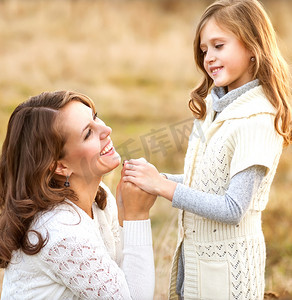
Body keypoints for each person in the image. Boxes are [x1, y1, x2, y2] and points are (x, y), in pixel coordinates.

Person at [122, 0, 292, 299]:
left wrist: (162, 186)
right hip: (198, 263)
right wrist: (152, 178)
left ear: (252, 46)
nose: (209, 58)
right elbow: (207, 185)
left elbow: (233, 208)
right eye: (204, 50)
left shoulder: (257, 119)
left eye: (218, 45)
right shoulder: (214, 106)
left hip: (228, 278)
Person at [0, 91, 156, 299]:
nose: (107, 129)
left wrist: (125, 217)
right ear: (59, 166)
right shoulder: (61, 232)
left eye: (95, 117)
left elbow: (123, 279)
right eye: (88, 133)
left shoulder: (99, 198)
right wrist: (136, 216)